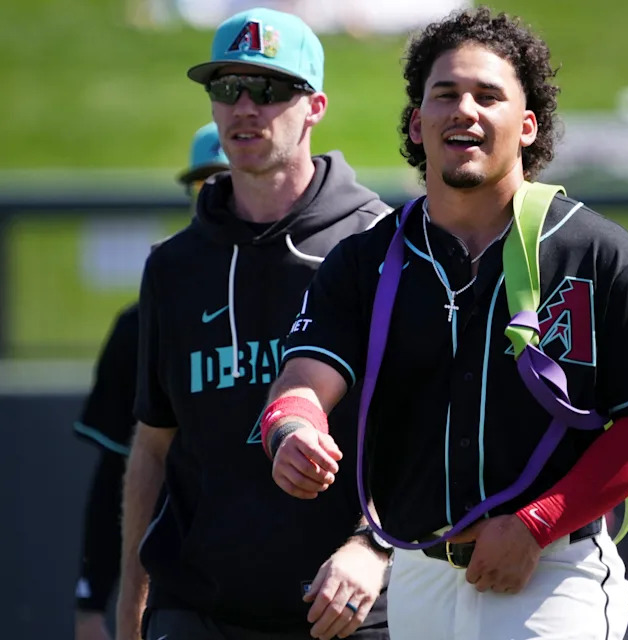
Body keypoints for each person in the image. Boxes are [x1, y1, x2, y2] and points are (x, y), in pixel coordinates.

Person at [262, 7, 628, 639]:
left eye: (488, 96)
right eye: (445, 95)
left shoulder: (596, 253)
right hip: (416, 570)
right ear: (418, 122)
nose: (464, 109)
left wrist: (537, 523)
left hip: (552, 567)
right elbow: (303, 381)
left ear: (526, 126)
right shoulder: (365, 260)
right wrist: (291, 430)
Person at [116, 8, 392, 640]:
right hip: (197, 609)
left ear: (314, 105)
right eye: (224, 88)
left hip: (348, 607)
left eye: (267, 90)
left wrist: (374, 546)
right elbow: (154, 443)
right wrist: (133, 598)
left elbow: (427, 430)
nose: (244, 107)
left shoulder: (378, 243)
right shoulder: (172, 265)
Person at [74, 123, 229, 640]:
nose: (218, 196)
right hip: (179, 585)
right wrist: (93, 600)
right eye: (206, 185)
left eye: (228, 180)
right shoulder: (145, 316)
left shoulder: (314, 290)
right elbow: (119, 466)